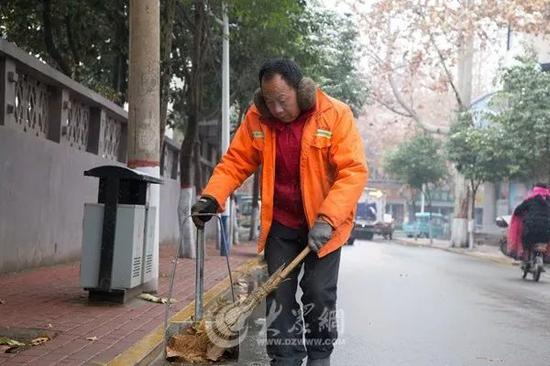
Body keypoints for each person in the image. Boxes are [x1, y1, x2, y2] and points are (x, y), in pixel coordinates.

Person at [191, 58, 368, 366]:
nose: (276, 109)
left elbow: (352, 171)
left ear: (301, 92)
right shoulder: (258, 119)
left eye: (282, 101)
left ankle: (320, 355)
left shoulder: (334, 115)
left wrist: (327, 219)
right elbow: (236, 161)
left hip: (324, 224)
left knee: (318, 292)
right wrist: (211, 197)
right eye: (269, 102)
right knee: (278, 293)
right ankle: (285, 358)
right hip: (282, 224)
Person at [508, 183, 550, 266]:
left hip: (531, 230)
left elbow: (517, 211)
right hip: (547, 231)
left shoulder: (530, 200)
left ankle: (525, 258)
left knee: (524, 239)